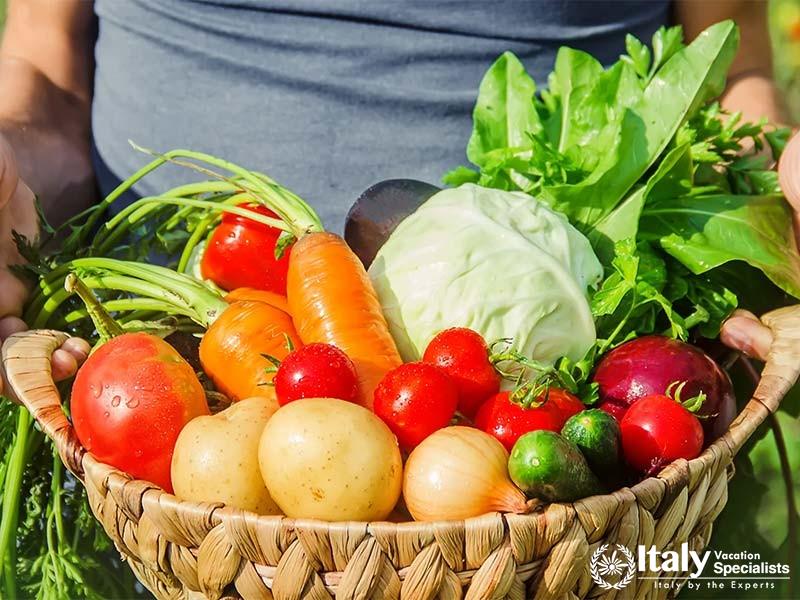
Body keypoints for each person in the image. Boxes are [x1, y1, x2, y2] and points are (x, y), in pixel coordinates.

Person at [0, 0, 790, 394]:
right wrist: (11, 164)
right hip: (161, 409)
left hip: (580, 421)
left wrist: (776, 193)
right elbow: (45, 67)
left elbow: (729, 63)